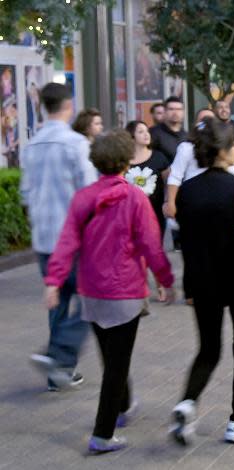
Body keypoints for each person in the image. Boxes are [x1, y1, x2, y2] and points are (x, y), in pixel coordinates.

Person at [43, 130, 175, 454]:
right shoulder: (135, 198)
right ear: (127, 159)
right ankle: (103, 434)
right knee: (116, 365)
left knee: (112, 357)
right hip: (125, 291)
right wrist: (165, 278)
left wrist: (54, 281)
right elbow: (151, 244)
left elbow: (66, 243)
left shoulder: (83, 198)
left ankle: (124, 406)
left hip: (92, 291)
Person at [170, 117, 234, 446]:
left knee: (208, 349)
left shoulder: (188, 192)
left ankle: (187, 402)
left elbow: (186, 238)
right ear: (224, 151)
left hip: (202, 281)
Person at [21, 83, 98, 391]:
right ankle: (59, 355)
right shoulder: (76, 144)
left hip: (43, 238)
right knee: (91, 301)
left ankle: (58, 370)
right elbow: (89, 193)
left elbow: (26, 194)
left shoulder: (31, 145)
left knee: (58, 302)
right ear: (69, 106)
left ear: (42, 106)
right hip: (73, 238)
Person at [126, 120, 171, 301]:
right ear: (132, 137)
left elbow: (169, 182)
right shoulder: (124, 160)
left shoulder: (159, 157)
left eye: (147, 131)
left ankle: (160, 285)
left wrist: (168, 200)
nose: (146, 134)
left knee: (155, 248)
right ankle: (140, 287)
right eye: (140, 132)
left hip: (154, 213)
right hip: (131, 215)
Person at [150, 96, 186, 163]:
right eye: (171, 109)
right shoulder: (153, 133)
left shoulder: (187, 136)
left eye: (179, 109)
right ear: (165, 112)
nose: (175, 112)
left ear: (183, 112)